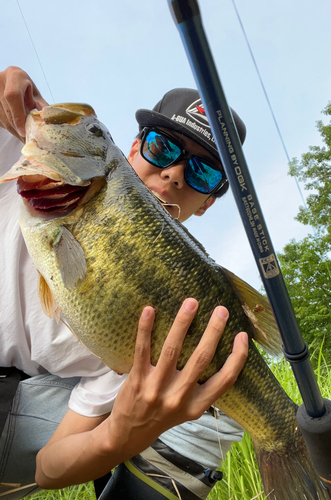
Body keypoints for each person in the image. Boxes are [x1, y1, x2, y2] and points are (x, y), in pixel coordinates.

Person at [0, 66, 250, 500]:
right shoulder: (30, 157)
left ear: (209, 202)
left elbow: (48, 468)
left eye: (204, 173)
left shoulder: (164, 322)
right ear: (133, 147)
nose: (173, 174)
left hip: (18, 408)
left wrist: (119, 434)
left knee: (214, 386)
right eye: (162, 147)